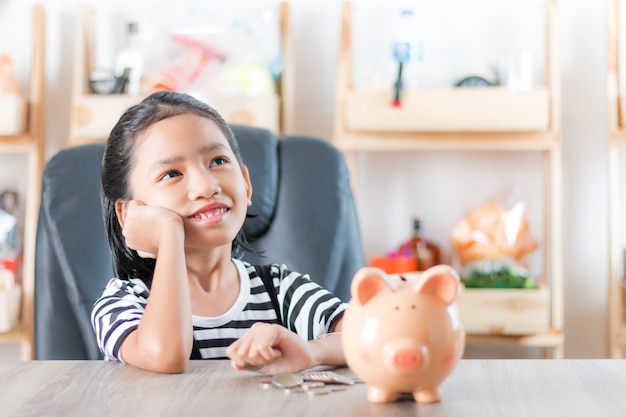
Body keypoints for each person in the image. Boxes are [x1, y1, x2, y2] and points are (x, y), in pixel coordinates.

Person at [91, 91, 346, 374]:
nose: (206, 185)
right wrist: (169, 234)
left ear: (246, 183)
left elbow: (371, 335)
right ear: (128, 214)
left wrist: (311, 351)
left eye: (217, 161)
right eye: (172, 174)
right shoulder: (123, 301)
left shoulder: (279, 289)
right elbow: (165, 355)